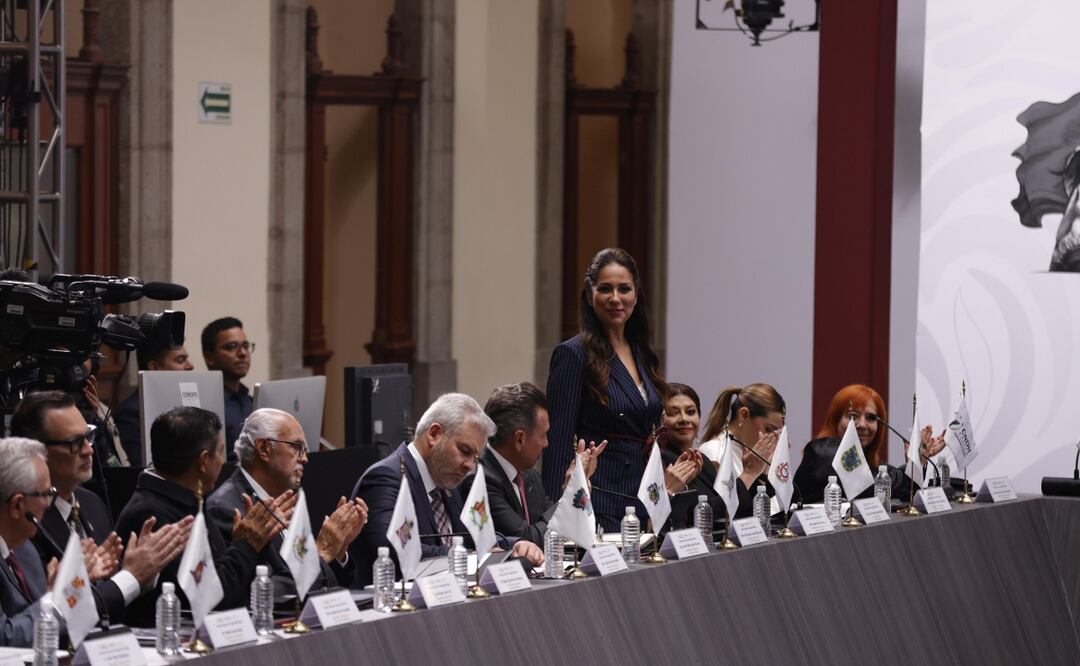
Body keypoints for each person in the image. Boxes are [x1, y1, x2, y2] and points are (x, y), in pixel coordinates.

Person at [12, 392, 191, 625]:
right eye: (74, 443)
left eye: (88, 436)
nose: (89, 450)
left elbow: (117, 605)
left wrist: (145, 572)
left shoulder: (92, 503)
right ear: (37, 453)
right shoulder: (25, 519)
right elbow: (61, 612)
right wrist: (130, 576)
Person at [114, 407, 292, 627]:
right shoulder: (152, 517)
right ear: (204, 461)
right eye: (220, 452)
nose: (223, 461)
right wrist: (247, 545)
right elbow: (210, 600)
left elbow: (234, 584)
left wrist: (254, 543)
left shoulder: (189, 499)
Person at [350, 393, 543, 588]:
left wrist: (514, 545)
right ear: (434, 434)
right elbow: (397, 549)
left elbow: (470, 538)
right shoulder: (387, 477)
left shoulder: (446, 482)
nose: (470, 466)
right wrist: (469, 557)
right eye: (465, 451)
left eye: (475, 458)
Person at [543, 248, 669, 532]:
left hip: (644, 498)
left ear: (636, 296)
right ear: (590, 296)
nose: (615, 298)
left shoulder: (642, 353)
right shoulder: (573, 354)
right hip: (599, 501)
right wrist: (553, 518)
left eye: (624, 289)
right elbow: (557, 443)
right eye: (605, 289)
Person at [206, 408, 366, 597]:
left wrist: (337, 550)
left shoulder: (287, 500)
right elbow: (262, 593)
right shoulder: (227, 509)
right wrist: (320, 553)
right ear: (264, 449)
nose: (305, 458)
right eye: (296, 447)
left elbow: (323, 582)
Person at [472, 383, 605, 546]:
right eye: (543, 435)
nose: (546, 443)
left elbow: (559, 530)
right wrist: (569, 496)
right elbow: (528, 540)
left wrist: (577, 489)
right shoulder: (480, 478)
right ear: (519, 439)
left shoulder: (530, 476)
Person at [793, 384, 947, 504]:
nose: (862, 424)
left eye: (871, 418)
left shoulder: (868, 459)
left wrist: (917, 459)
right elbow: (876, 486)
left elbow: (899, 486)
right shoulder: (825, 452)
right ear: (835, 421)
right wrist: (914, 464)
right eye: (853, 416)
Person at [0, 437, 62, 646]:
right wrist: (56, 600)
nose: (48, 504)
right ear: (17, 505)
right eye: (46, 494)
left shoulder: (26, 550)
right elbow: (4, 638)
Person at [697, 384, 786, 519]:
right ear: (744, 415)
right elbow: (721, 513)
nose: (773, 439)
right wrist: (751, 473)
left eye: (777, 433)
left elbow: (768, 512)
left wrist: (765, 472)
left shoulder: (753, 451)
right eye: (768, 429)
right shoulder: (714, 452)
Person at [113, 340, 195, 467]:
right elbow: (141, 468)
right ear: (154, 367)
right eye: (180, 360)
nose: (190, 366)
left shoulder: (185, 405)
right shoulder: (130, 413)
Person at [660, 383, 719, 528]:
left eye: (690, 412)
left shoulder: (703, 460)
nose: (684, 419)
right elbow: (701, 513)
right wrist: (748, 475)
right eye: (673, 413)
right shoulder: (660, 461)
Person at [201, 317, 253, 459]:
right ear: (209, 357)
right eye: (231, 347)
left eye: (245, 345)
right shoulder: (204, 408)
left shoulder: (251, 401)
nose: (242, 353)